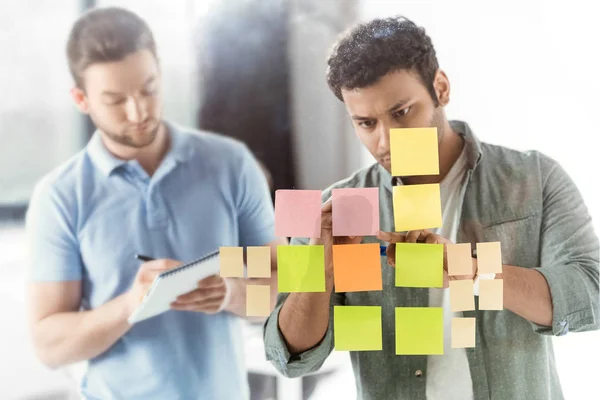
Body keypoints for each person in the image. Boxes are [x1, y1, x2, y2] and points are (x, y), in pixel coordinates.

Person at [264, 16, 599, 400]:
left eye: (402, 112)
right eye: (366, 123)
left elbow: (591, 293)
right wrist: (318, 270)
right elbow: (290, 355)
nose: (385, 141)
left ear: (440, 87)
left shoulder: (533, 178)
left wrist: (470, 271)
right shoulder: (335, 207)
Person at [26, 7, 286, 400]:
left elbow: (286, 291)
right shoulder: (61, 197)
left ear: (161, 74)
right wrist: (132, 304)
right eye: (115, 100)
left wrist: (230, 294)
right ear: (81, 99)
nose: (139, 111)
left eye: (148, 88)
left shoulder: (230, 165)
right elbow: (50, 345)